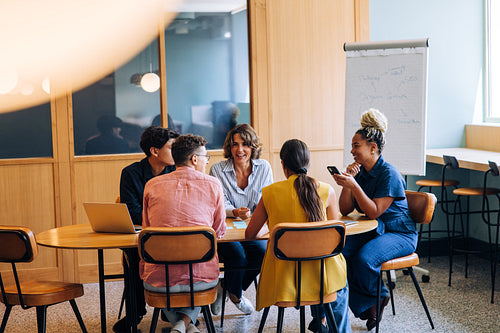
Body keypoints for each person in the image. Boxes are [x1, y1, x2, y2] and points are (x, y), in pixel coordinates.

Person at [246, 139, 350, 333]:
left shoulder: (269, 193)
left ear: (283, 165)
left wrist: (270, 228)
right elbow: (336, 239)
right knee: (339, 281)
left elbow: (250, 234)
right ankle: (326, 324)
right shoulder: (327, 190)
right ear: (308, 164)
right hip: (321, 279)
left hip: (283, 281)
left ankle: (320, 322)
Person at [332, 109, 417, 331]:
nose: (352, 151)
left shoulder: (389, 173)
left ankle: (380, 296)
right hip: (375, 230)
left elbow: (374, 212)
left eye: (356, 146)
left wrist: (355, 185)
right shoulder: (360, 172)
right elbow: (345, 208)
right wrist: (349, 182)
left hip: (399, 233)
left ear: (373, 148)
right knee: (339, 252)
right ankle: (370, 302)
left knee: (363, 259)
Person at [141, 134, 226, 333]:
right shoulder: (213, 184)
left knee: (159, 279)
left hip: (158, 281)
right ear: (194, 159)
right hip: (201, 279)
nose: (207, 161)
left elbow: (146, 231)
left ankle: (180, 325)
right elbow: (219, 232)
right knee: (201, 277)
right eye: (206, 157)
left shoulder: (152, 185)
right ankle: (185, 325)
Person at [114, 126, 179, 332]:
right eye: (171, 147)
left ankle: (175, 311)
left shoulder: (178, 171)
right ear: (154, 151)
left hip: (172, 233)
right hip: (144, 234)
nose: (176, 153)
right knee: (134, 256)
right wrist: (162, 217)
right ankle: (135, 313)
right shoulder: (131, 173)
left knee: (186, 253)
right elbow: (132, 211)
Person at [209, 124, 273, 315]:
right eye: (235, 145)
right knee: (237, 255)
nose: (239, 150)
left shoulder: (264, 167)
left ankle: (228, 287)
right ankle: (236, 296)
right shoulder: (217, 169)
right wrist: (234, 211)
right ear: (229, 147)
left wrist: (254, 215)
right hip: (226, 228)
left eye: (245, 144)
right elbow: (218, 202)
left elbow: (267, 199)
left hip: (255, 226)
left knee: (263, 253)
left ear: (253, 147)